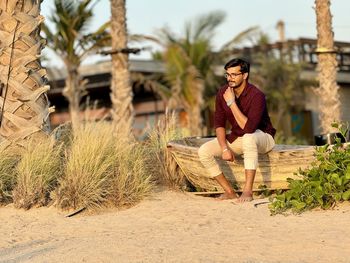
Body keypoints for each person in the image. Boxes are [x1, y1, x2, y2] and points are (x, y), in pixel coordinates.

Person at [198, 58, 276, 202]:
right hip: (238, 137)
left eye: (234, 75)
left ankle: (247, 191)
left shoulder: (257, 96)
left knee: (249, 137)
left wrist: (231, 102)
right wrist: (224, 149)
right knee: (204, 151)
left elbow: (249, 128)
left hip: (264, 138)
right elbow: (219, 124)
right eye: (227, 74)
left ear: (245, 75)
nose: (230, 78)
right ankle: (229, 192)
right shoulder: (223, 92)